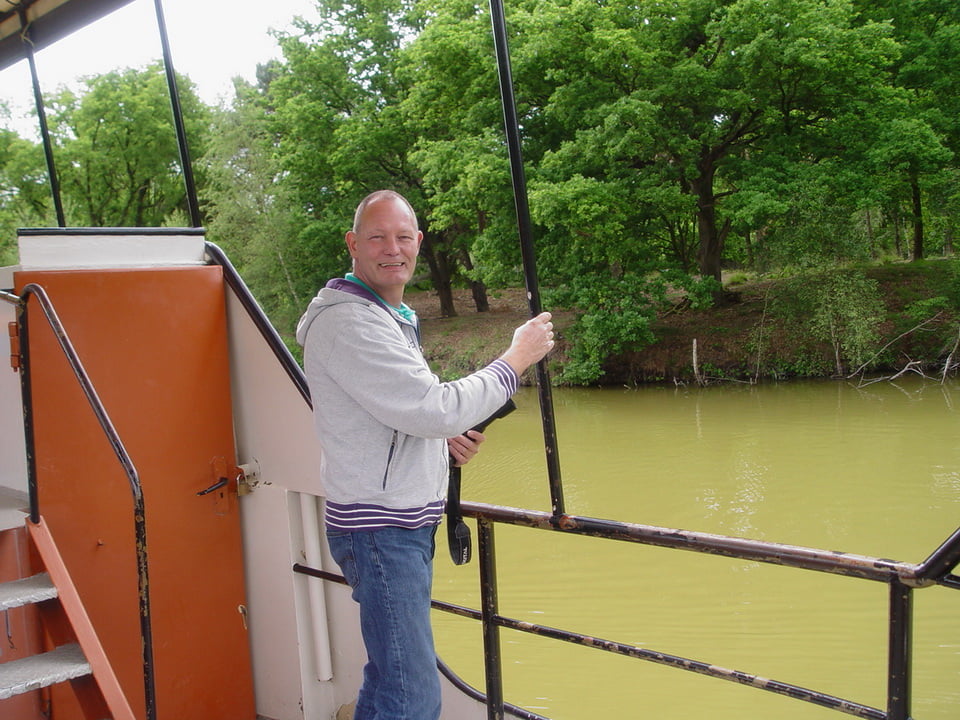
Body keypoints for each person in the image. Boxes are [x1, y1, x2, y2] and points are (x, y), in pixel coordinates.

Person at [296, 189, 554, 720]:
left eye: (402, 236)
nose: (392, 249)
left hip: (398, 525)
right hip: (380, 531)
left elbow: (401, 415)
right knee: (412, 696)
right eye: (377, 237)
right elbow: (432, 408)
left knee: (391, 679)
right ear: (352, 244)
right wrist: (516, 358)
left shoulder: (389, 314)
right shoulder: (349, 322)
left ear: (418, 241)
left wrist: (442, 443)